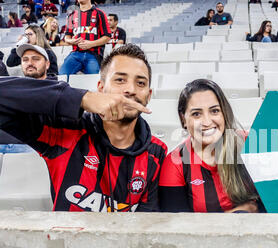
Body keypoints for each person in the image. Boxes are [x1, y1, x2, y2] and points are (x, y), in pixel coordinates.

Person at [0, 43, 167, 212]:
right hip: (66, 238)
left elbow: (147, 222)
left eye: (140, 83)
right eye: (120, 80)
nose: (131, 89)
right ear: (101, 88)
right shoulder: (64, 130)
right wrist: (81, 99)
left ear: (149, 95)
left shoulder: (157, 152)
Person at [159, 79, 264, 213]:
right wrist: (236, 214)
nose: (207, 122)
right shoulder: (174, 163)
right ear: (183, 119)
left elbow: (277, 201)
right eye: (196, 114)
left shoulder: (250, 143)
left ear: (224, 113)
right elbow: (176, 225)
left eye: (214, 111)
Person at [0, 44, 52, 154]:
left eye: (36, 59)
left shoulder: (58, 89)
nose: (29, 63)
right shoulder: (12, 86)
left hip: (29, 147)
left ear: (47, 64)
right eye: (25, 60)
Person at [60, 0, 111, 76]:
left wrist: (91, 44)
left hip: (93, 54)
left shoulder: (99, 13)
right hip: (75, 54)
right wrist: (72, 41)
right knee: (61, 76)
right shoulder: (72, 15)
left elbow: (107, 37)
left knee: (93, 81)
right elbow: (67, 37)